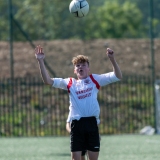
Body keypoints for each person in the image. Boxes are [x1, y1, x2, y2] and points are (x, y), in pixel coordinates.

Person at [34, 45, 122, 160]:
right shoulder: (70, 83)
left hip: (92, 123)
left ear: (88, 69)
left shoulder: (95, 79)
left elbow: (118, 76)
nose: (80, 67)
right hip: (77, 124)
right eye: (77, 65)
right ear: (74, 70)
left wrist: (112, 59)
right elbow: (48, 81)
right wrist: (40, 61)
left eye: (83, 65)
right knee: (76, 158)